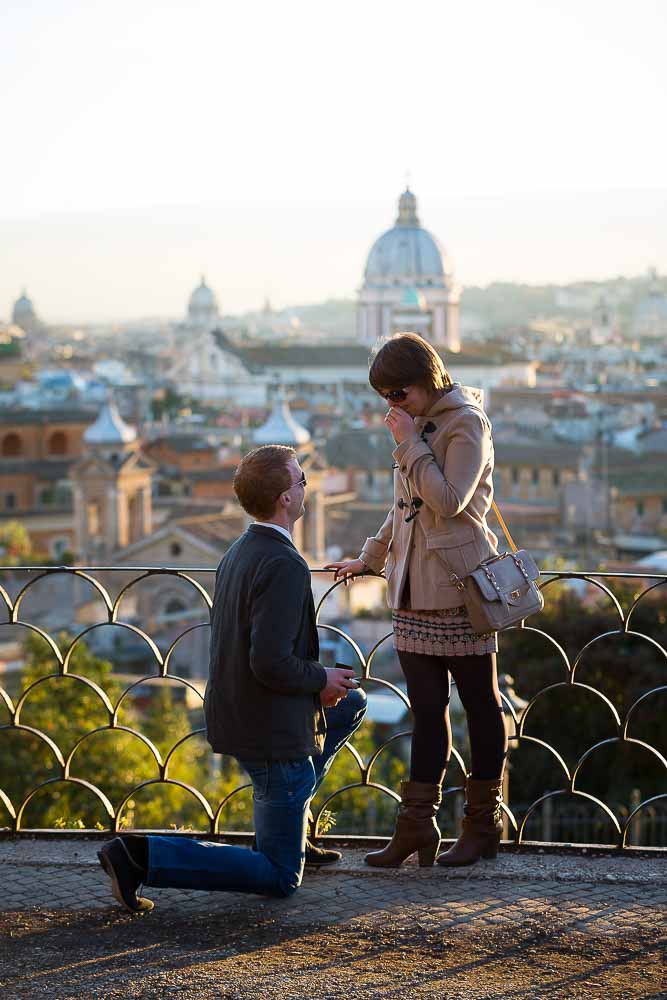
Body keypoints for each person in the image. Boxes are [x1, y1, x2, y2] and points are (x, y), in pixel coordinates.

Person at [98, 444, 366, 912]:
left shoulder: (241, 549)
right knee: (281, 876)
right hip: (269, 729)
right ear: (285, 498)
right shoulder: (284, 563)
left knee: (351, 704)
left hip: (239, 711)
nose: (306, 486)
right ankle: (140, 856)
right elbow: (269, 662)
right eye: (301, 479)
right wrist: (320, 676)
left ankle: (294, 829)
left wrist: (323, 685)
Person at [327, 333, 507, 868]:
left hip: (458, 587)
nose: (391, 405)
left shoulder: (465, 424)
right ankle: (416, 828)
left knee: (480, 706)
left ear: (427, 381)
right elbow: (403, 506)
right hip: (411, 589)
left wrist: (409, 443)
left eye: (398, 393)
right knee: (426, 712)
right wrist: (370, 557)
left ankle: (481, 827)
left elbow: (450, 502)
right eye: (384, 396)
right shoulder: (419, 427)